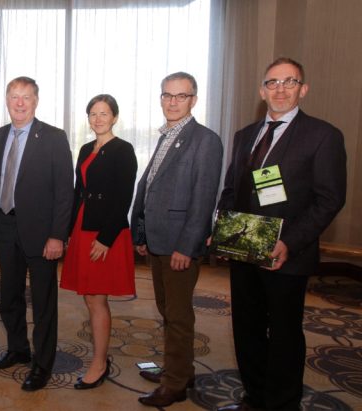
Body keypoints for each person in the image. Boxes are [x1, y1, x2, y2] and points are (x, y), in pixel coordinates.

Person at [216, 58, 346, 411]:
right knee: (247, 329)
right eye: (272, 83)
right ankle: (254, 397)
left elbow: (329, 199)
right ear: (262, 91)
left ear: (303, 89)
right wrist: (228, 235)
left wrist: (290, 242)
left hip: (288, 254)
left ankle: (282, 403)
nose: (280, 89)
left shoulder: (323, 135)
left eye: (290, 82)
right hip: (245, 251)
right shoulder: (245, 135)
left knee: (285, 335)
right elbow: (231, 190)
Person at [131, 72, 223, 407]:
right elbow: (152, 188)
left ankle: (175, 385)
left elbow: (203, 199)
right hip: (158, 241)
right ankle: (179, 368)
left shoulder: (205, 140)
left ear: (193, 100)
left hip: (179, 247)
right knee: (167, 311)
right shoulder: (167, 135)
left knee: (179, 317)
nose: (172, 102)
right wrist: (140, 232)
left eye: (181, 96)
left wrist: (186, 245)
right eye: (167, 95)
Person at [0, 76, 74, 391]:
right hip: (5, 227)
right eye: (14, 97)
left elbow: (65, 192)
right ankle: (18, 348)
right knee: (9, 297)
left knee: (43, 302)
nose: (19, 103)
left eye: (26, 97)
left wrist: (57, 236)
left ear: (36, 101)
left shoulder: (53, 137)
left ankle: (43, 364)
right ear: (6, 100)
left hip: (42, 233)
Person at [60, 94, 137, 390]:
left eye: (104, 113)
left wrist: (105, 239)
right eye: (93, 113)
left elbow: (123, 197)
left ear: (114, 117)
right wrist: (68, 231)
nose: (98, 119)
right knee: (89, 297)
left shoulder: (123, 150)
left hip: (106, 233)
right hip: (82, 227)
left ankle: (99, 362)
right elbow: (78, 192)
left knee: (96, 298)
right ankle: (101, 356)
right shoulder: (84, 149)